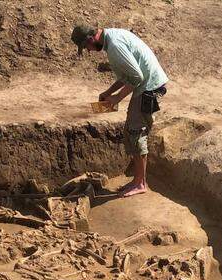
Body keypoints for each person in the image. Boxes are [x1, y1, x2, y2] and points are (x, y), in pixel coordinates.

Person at [71, 24, 169, 198]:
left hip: (149, 87)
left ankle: (140, 183)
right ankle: (137, 180)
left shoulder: (115, 46)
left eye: (86, 47)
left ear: (91, 39)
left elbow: (137, 77)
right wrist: (108, 93)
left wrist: (117, 98)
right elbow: (126, 76)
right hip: (145, 85)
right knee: (130, 132)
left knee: (136, 133)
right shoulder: (112, 39)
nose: (89, 51)